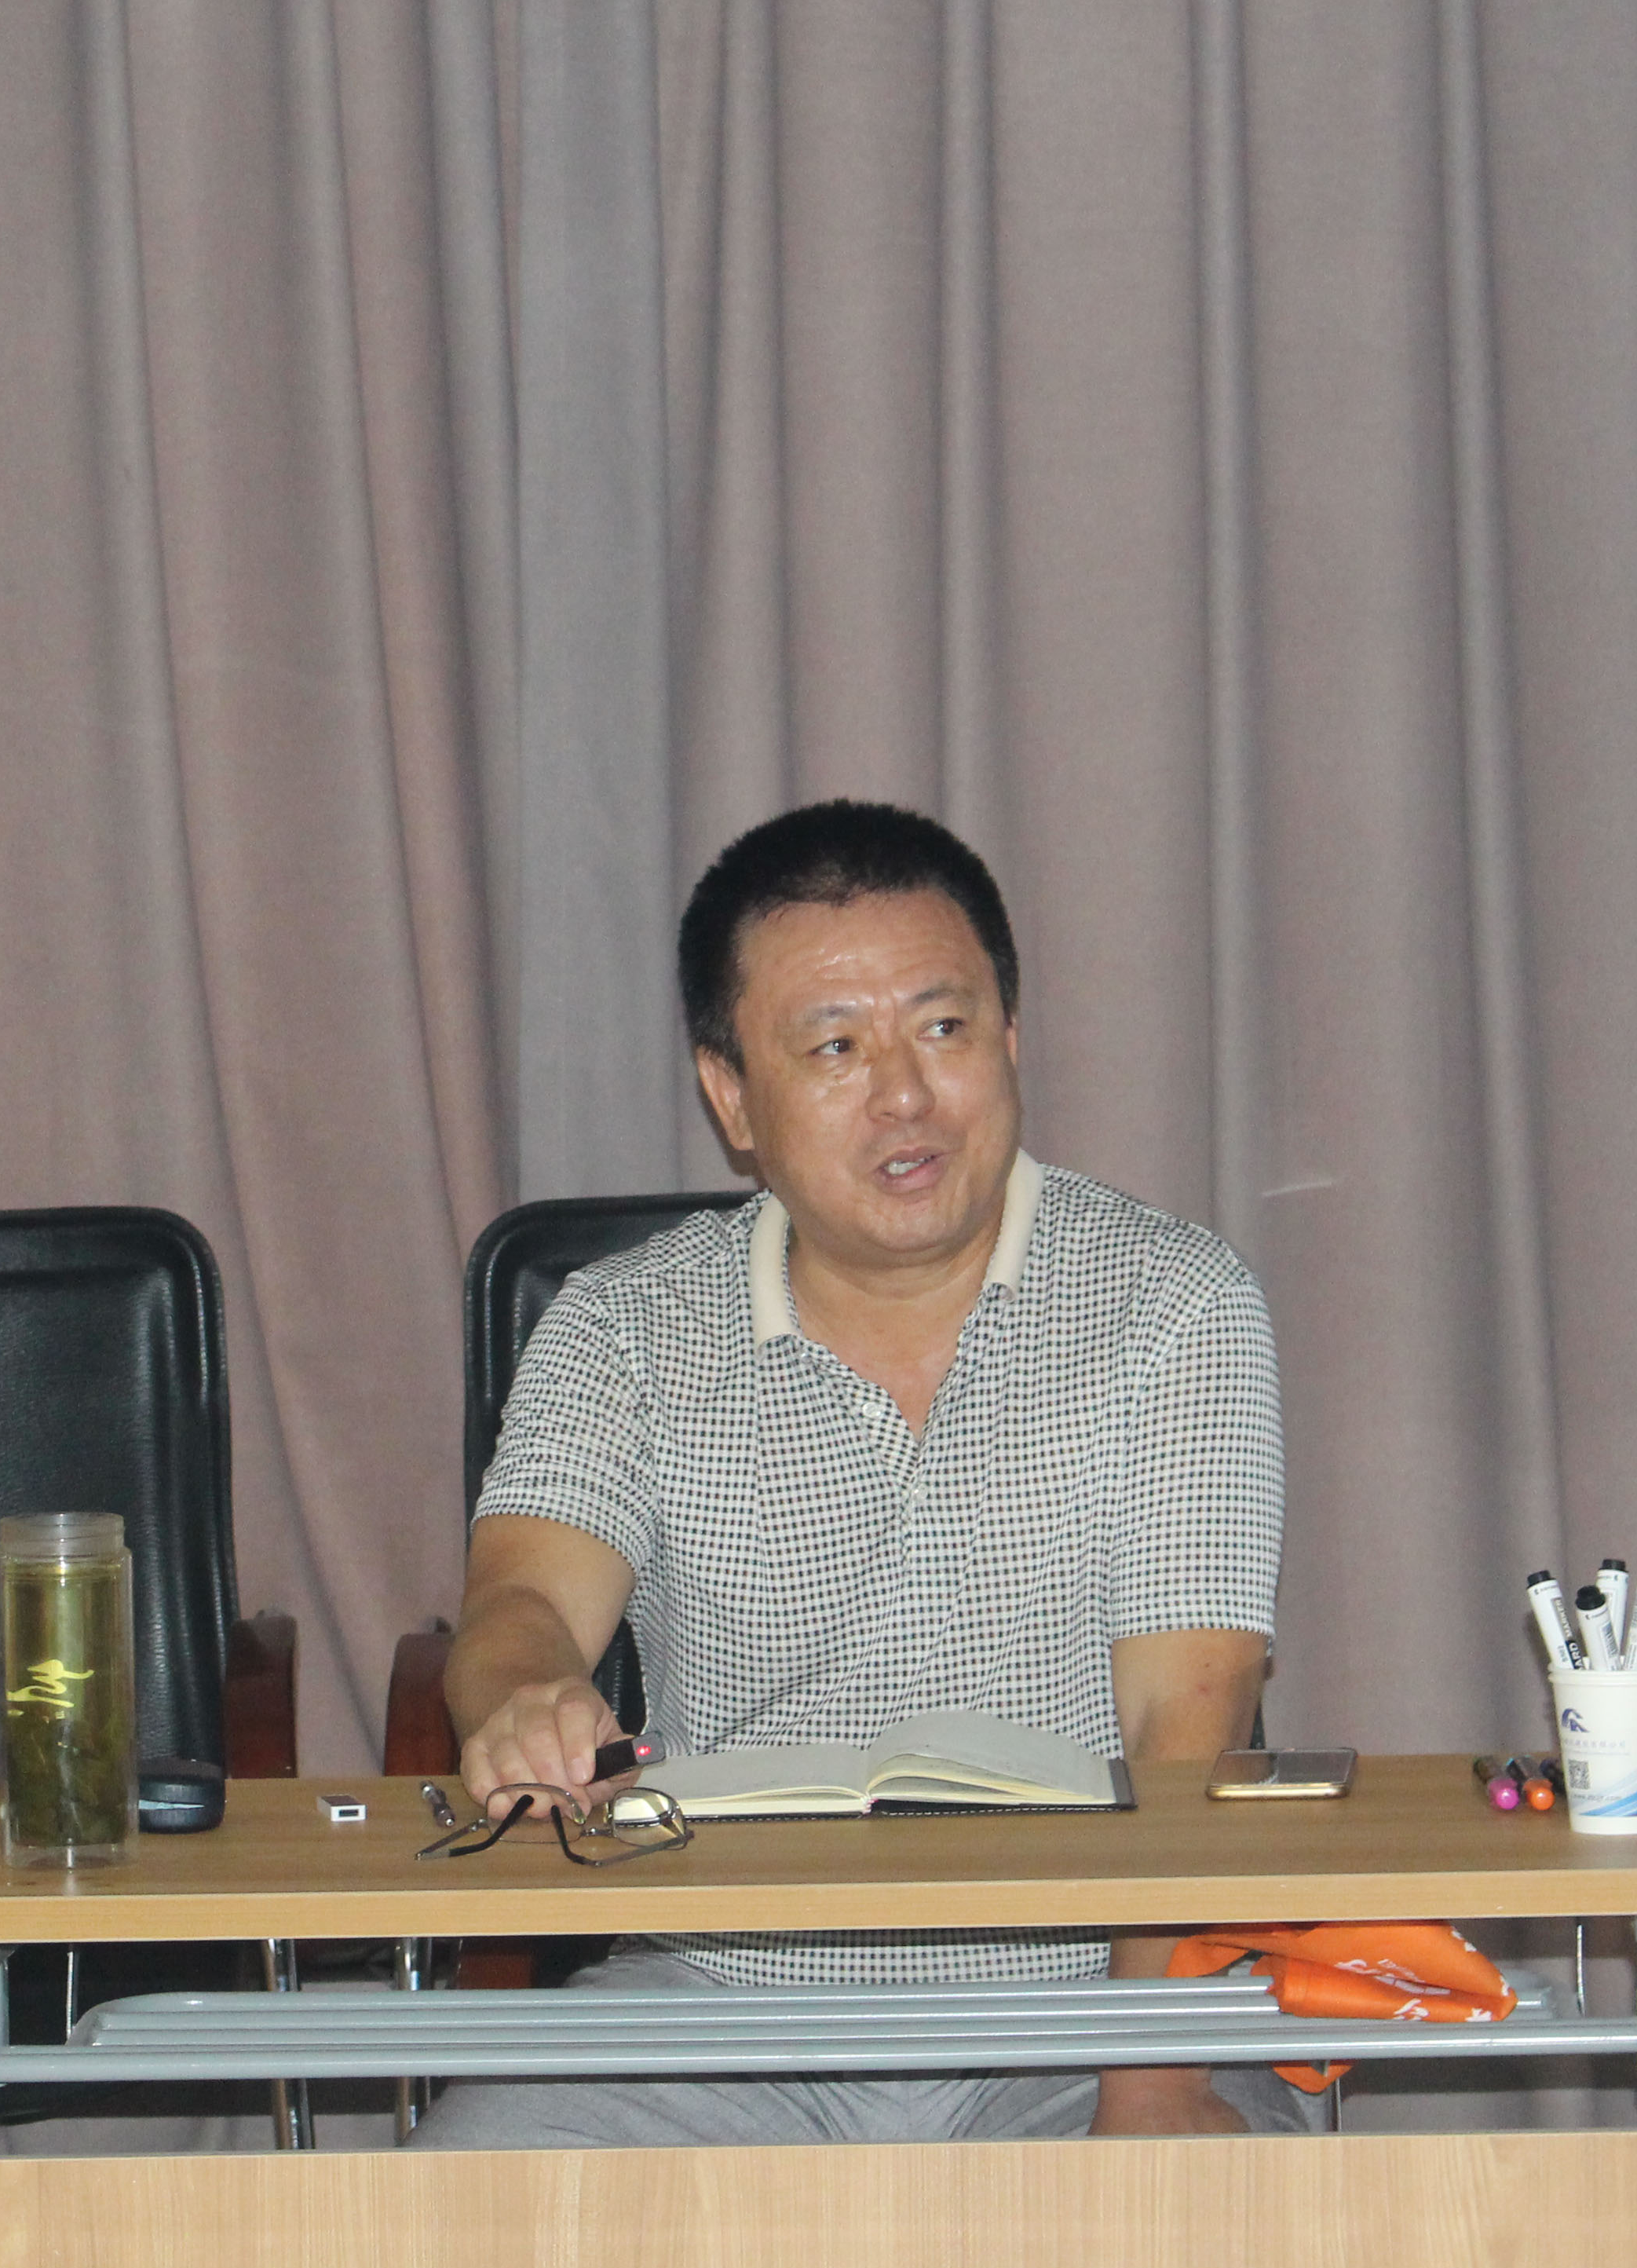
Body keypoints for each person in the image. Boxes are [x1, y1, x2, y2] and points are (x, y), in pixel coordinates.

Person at [415, 799, 1299, 2146]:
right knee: (464, 2200)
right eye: (835, 1047)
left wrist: (1151, 2077)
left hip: (1084, 1996)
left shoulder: (1173, 1305)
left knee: (1217, 2237)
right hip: (721, 1992)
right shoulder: (623, 1328)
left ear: (1011, 1036)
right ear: (731, 1095)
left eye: (943, 1028)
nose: (904, 1095)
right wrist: (527, 1697)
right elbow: (518, 1608)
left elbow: (1191, 1723)